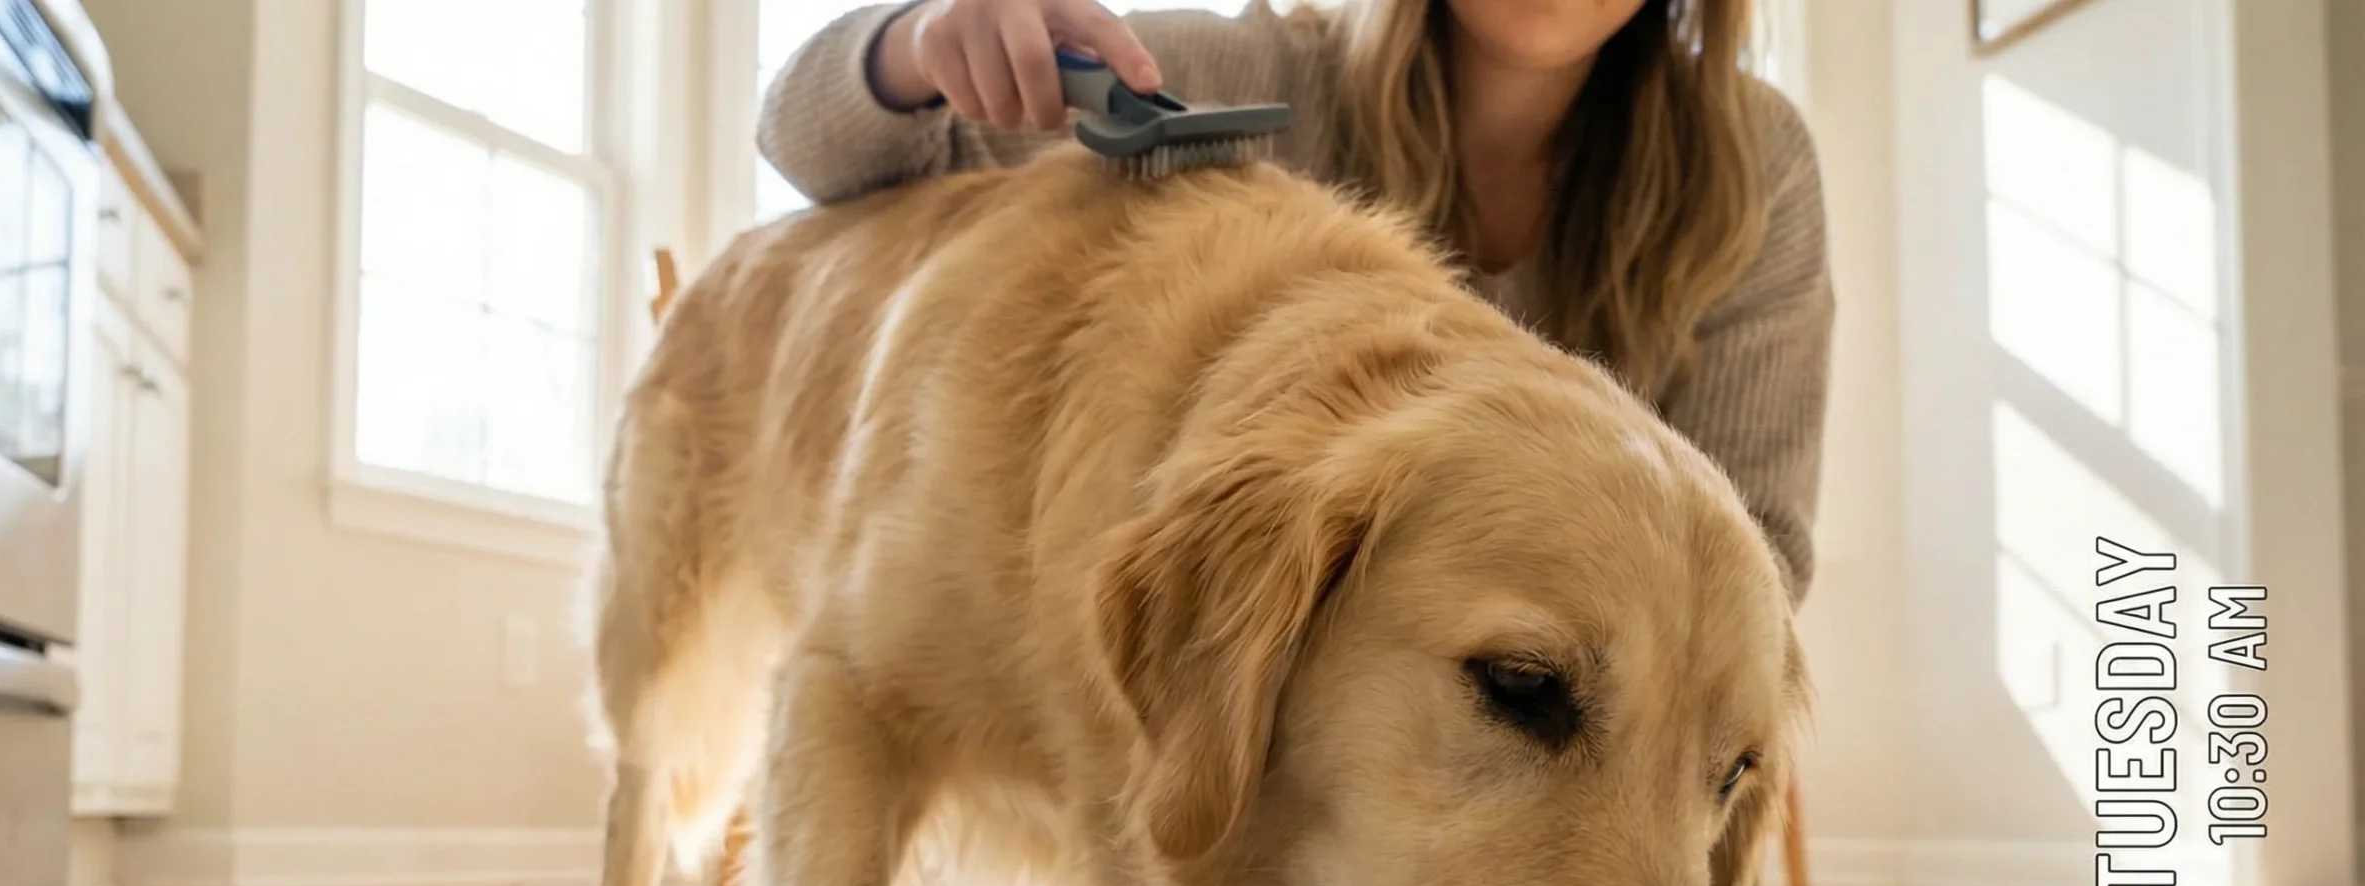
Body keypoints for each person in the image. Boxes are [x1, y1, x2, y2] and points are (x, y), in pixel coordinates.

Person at [757, 0, 1832, 600]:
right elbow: (808, 140)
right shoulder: (1237, 75)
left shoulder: (1754, 166)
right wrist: (916, 44)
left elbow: (1760, 552)